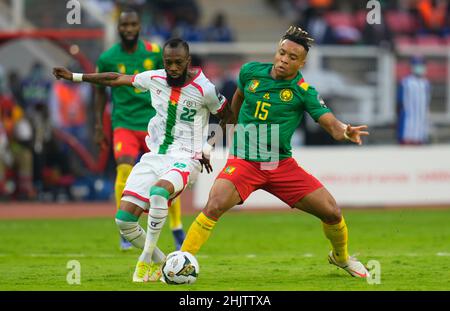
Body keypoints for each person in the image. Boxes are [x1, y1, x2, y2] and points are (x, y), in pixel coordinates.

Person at [180, 26, 371, 278]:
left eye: (292, 58)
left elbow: (331, 124)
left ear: (301, 63)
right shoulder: (250, 72)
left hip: (279, 164)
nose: (284, 59)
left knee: (332, 212)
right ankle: (180, 261)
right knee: (214, 205)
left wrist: (345, 130)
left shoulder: (304, 92)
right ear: (276, 51)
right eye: (282, 53)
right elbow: (233, 109)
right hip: (244, 160)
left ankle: (341, 257)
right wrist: (210, 144)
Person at [53, 38, 232, 282]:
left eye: (178, 63)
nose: (172, 68)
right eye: (168, 62)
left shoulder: (206, 89)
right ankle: (163, 261)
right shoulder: (155, 78)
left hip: (186, 158)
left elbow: (228, 116)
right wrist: (74, 76)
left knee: (159, 192)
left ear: (188, 62)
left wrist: (208, 147)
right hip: (154, 156)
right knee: (123, 221)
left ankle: (144, 260)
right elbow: (115, 79)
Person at [95, 9, 186, 251]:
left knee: (167, 173)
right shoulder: (107, 58)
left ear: (139, 26)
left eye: (133, 24)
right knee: (124, 166)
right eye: (124, 25)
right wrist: (97, 125)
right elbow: (99, 91)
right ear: (118, 27)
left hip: (153, 123)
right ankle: (125, 230)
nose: (128, 29)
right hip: (123, 122)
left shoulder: (155, 53)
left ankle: (176, 227)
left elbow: (172, 81)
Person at [397, 56, 431, 145]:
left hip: (421, 126)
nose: (420, 68)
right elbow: (399, 103)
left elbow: (427, 104)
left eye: (422, 65)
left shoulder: (426, 83)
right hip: (407, 125)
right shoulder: (405, 82)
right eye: (417, 65)